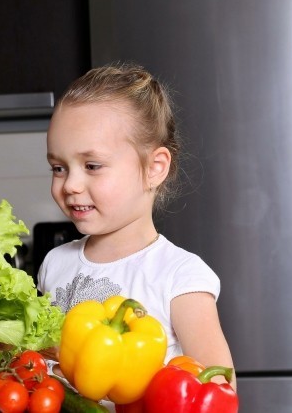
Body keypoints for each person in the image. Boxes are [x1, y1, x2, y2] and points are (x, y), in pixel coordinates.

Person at [38, 64, 235, 399]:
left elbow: (218, 388)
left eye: (92, 166)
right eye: (59, 168)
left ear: (154, 168)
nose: (70, 184)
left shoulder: (180, 276)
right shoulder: (55, 263)